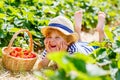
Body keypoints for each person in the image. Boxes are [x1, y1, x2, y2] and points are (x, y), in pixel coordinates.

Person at [38, 10, 106, 69]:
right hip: (79, 44)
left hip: (88, 50)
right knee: (79, 42)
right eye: (49, 37)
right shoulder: (50, 47)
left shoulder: (73, 51)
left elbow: (65, 70)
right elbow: (40, 66)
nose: (52, 40)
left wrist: (61, 54)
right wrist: (48, 55)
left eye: (57, 37)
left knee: (103, 47)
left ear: (68, 40)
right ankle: (77, 29)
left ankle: (101, 31)